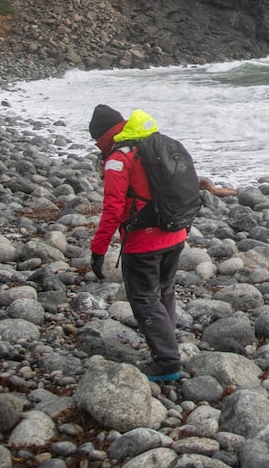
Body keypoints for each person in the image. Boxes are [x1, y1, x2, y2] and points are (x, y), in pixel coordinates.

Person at [88, 104, 188, 382]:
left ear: (104, 135)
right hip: (176, 233)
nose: (97, 146)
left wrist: (98, 250)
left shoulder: (119, 159)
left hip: (145, 243)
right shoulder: (154, 145)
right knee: (164, 290)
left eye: (96, 140)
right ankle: (167, 348)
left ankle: (167, 362)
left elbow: (113, 211)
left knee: (144, 298)